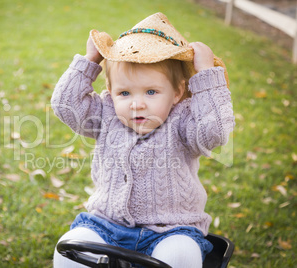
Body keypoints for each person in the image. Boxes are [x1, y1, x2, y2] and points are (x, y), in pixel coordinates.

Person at [51, 12, 235, 268]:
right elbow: (65, 104)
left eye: (151, 92)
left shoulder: (184, 121)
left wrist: (206, 74)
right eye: (124, 93)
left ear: (177, 93)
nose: (137, 104)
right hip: (106, 224)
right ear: (111, 93)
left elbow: (214, 131)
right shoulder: (105, 113)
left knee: (181, 256)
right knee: (69, 250)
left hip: (171, 229)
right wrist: (89, 61)